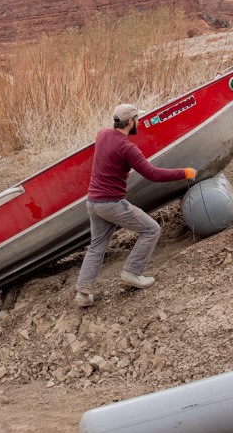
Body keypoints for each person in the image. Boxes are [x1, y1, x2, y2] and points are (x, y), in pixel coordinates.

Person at [73, 103, 197, 308]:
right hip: (111, 204)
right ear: (130, 122)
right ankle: (132, 272)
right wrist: (184, 172)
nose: (139, 122)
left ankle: (82, 293)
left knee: (97, 246)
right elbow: (153, 174)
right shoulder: (128, 148)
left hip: (93, 202)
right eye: (137, 119)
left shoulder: (102, 135)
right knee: (151, 229)